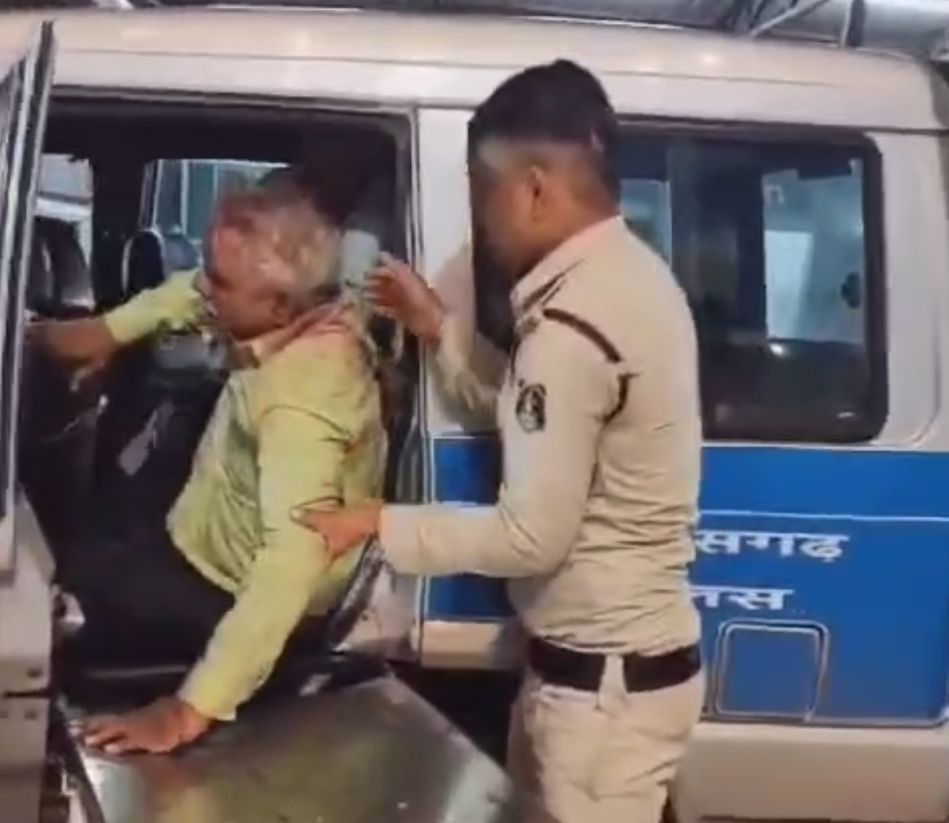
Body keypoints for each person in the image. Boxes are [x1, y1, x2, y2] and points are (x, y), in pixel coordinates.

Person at [296, 60, 705, 823]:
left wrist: (377, 524)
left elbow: (528, 536)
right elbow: (523, 406)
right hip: (604, 679)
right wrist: (436, 328)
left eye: (484, 195)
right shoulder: (629, 279)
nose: (482, 222)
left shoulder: (572, 325)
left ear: (534, 188)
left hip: (599, 698)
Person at [32, 177, 385, 754]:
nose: (205, 288)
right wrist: (103, 333)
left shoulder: (305, 398)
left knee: (47, 602)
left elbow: (289, 566)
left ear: (277, 305)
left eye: (221, 282)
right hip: (202, 535)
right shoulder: (289, 306)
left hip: (232, 589)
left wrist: (187, 711)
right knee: (88, 543)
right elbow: (191, 292)